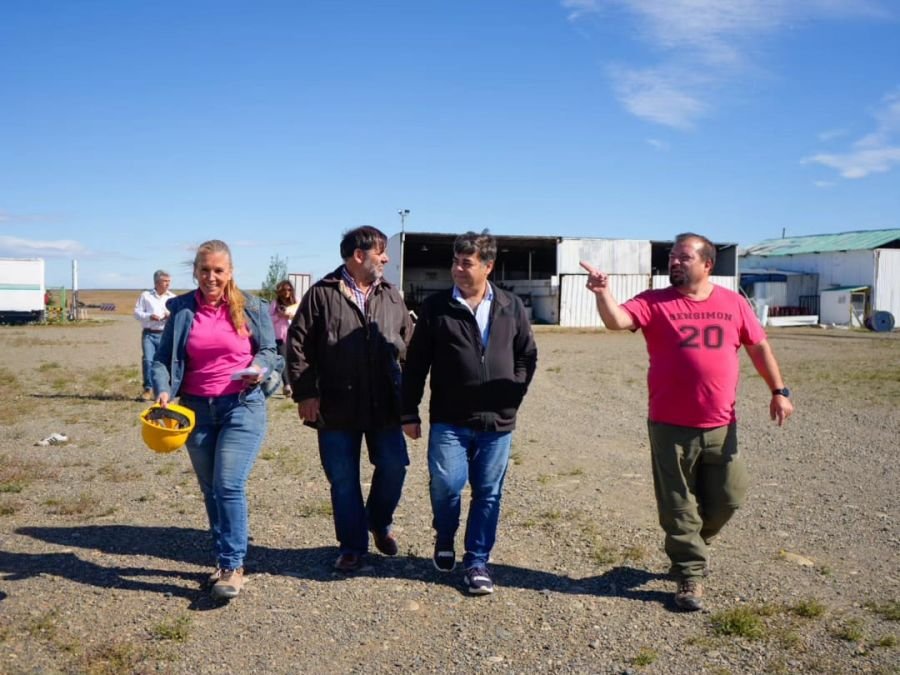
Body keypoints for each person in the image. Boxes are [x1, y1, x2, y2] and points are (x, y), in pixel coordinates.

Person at [580, 232, 794, 611]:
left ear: (707, 264)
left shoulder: (732, 302)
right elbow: (617, 320)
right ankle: (688, 574)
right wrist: (602, 293)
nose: (674, 262)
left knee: (729, 498)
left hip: (721, 424)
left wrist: (779, 391)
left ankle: (693, 542)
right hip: (670, 425)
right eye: (672, 257)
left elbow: (758, 345)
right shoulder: (654, 301)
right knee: (678, 505)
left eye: (684, 257)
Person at [401, 230, 538, 595]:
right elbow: (417, 364)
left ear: (488, 266)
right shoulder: (436, 307)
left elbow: (526, 354)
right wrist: (409, 411)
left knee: (488, 493)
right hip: (450, 419)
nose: (458, 269)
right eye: (455, 262)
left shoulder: (511, 306)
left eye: (467, 263)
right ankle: (445, 534)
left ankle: (477, 561)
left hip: (498, 421)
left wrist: (514, 393)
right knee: (447, 485)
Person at [151, 240, 279, 601]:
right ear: (195, 271)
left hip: (242, 405)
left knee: (228, 484)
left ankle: (232, 566)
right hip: (195, 410)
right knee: (211, 489)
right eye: (204, 270)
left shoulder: (252, 307)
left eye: (218, 270)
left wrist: (260, 368)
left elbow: (270, 350)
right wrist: (163, 389)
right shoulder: (182, 310)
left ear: (230, 272)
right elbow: (162, 359)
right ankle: (225, 559)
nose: (211, 277)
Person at [286, 226, 413, 572]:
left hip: (385, 403)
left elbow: (408, 346)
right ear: (359, 255)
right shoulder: (321, 294)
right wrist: (306, 393)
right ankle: (352, 546)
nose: (386, 258)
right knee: (343, 479)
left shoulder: (390, 295)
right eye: (380, 252)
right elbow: (297, 346)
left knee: (394, 465)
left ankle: (378, 521)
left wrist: (408, 397)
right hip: (336, 405)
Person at [134, 270, 175, 401]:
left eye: (169, 281)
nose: (167, 284)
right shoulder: (146, 296)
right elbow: (137, 313)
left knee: (165, 362)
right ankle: (148, 389)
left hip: (166, 334)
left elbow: (177, 316)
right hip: (149, 334)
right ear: (156, 282)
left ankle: (164, 390)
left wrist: (170, 316)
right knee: (148, 360)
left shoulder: (172, 297)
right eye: (165, 281)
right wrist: (149, 316)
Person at [269, 280, 298, 397]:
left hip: (295, 336)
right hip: (280, 337)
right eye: (284, 290)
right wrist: (279, 316)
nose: (287, 292)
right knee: (283, 360)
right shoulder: (275, 303)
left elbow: (304, 316)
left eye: (289, 289)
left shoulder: (297, 302)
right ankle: (287, 385)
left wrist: (291, 316)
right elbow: (268, 318)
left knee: (294, 360)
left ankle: (295, 384)